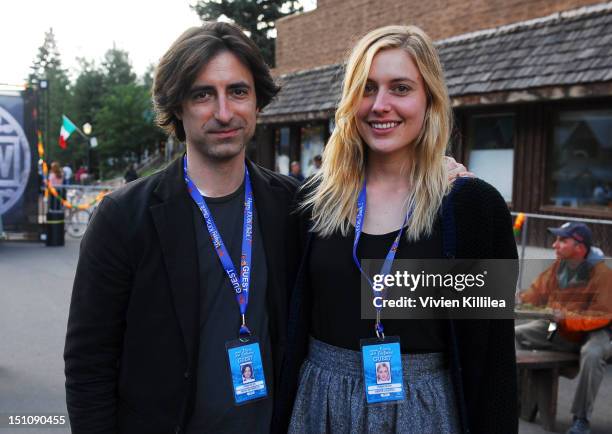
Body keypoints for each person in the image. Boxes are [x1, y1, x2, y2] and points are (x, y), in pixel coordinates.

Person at [278, 25, 518, 434]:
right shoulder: (313, 201)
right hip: (322, 406)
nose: (380, 105)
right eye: (367, 88)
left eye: (401, 88)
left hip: (425, 411)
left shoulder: (474, 207)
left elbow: (493, 354)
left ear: (430, 100)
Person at [64, 22, 300, 434]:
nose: (224, 112)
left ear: (258, 101)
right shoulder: (123, 218)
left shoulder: (294, 206)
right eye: (203, 94)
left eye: (238, 91)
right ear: (177, 105)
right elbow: (89, 365)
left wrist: (438, 179)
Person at [516, 222, 612, 434]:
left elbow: (603, 316)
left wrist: (566, 318)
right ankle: (517, 398)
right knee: (515, 335)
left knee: (593, 353)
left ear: (580, 247)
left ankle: (581, 419)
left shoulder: (603, 274)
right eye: (556, 239)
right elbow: (537, 293)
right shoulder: (559, 267)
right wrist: (521, 297)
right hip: (557, 327)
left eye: (562, 240)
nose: (554, 245)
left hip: (596, 332)